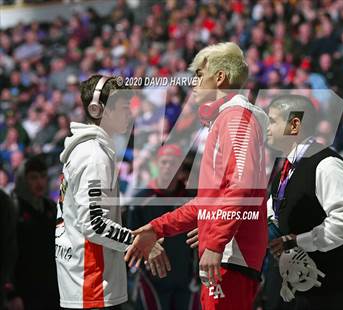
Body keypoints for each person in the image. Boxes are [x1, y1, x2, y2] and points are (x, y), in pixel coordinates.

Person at [125, 42, 269, 310]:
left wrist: (214, 244)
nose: (194, 82)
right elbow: (210, 200)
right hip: (226, 254)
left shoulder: (235, 117)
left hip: (229, 257)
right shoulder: (228, 118)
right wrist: (156, 229)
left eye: (199, 75)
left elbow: (240, 187)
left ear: (220, 77)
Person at [55, 75, 165, 309]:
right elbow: (94, 223)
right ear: (98, 109)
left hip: (84, 281)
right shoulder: (94, 155)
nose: (130, 114)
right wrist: (139, 242)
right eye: (125, 108)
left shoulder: (85, 150)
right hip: (92, 284)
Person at [266, 94, 343, 310]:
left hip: (330, 292)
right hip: (295, 290)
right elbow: (270, 219)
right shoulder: (283, 172)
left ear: (294, 124)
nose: (266, 127)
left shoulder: (327, 164)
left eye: (272, 121)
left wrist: (300, 241)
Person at [127, 144, 195, 310]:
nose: (168, 167)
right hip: (152, 281)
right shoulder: (140, 200)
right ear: (156, 165)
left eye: (173, 163)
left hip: (186, 280)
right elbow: (128, 238)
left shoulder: (193, 199)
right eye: (164, 162)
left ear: (180, 169)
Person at [12, 156, 59, 309]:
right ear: (23, 180)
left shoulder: (51, 208)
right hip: (23, 289)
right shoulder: (13, 208)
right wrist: (11, 292)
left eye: (43, 177)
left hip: (51, 287)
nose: (40, 183)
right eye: (33, 178)